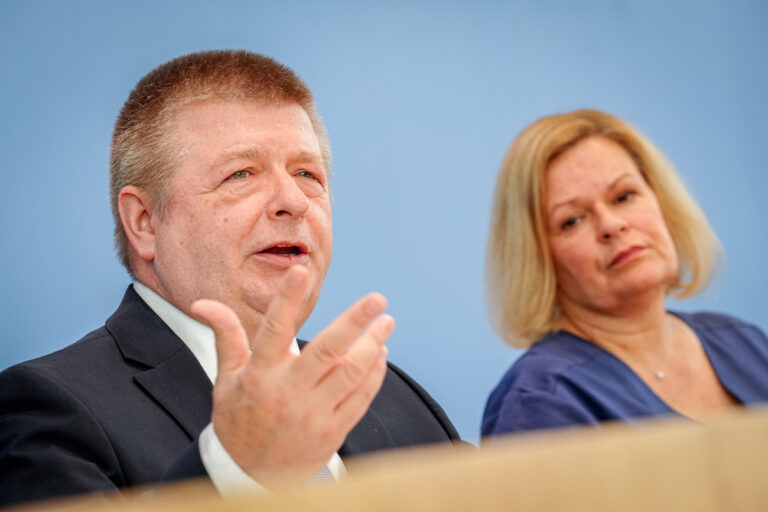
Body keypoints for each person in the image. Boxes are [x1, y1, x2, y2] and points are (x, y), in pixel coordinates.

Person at [0, 50, 459, 507]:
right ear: (144, 222)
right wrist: (237, 473)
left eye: (307, 173)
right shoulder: (49, 411)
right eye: (241, 173)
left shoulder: (401, 402)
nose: (294, 201)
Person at [482, 109, 768, 436]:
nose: (612, 225)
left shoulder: (745, 341)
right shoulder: (540, 402)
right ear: (539, 259)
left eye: (624, 196)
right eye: (572, 220)